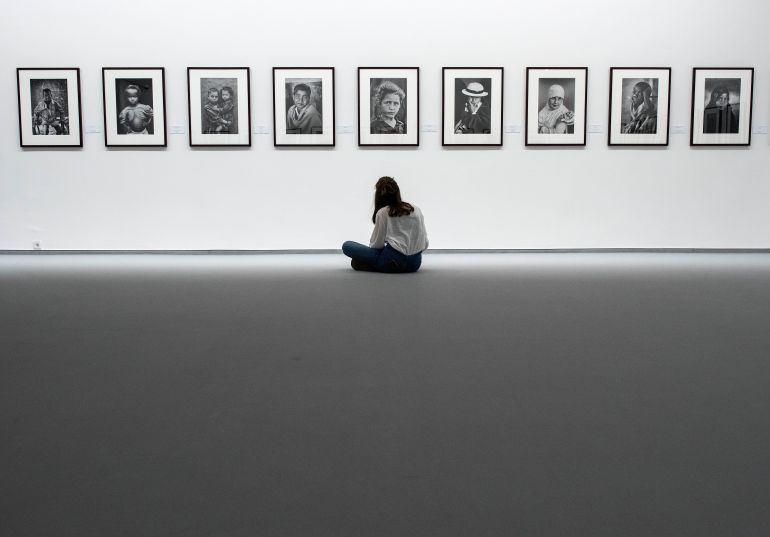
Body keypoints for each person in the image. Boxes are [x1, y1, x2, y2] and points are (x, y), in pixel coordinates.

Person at [342, 176, 428, 273]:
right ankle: (379, 264)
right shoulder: (416, 209)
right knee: (361, 259)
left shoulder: (383, 212)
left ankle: (380, 265)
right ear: (397, 192)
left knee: (347, 246)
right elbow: (425, 243)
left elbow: (377, 245)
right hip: (415, 264)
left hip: (392, 261)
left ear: (378, 196)